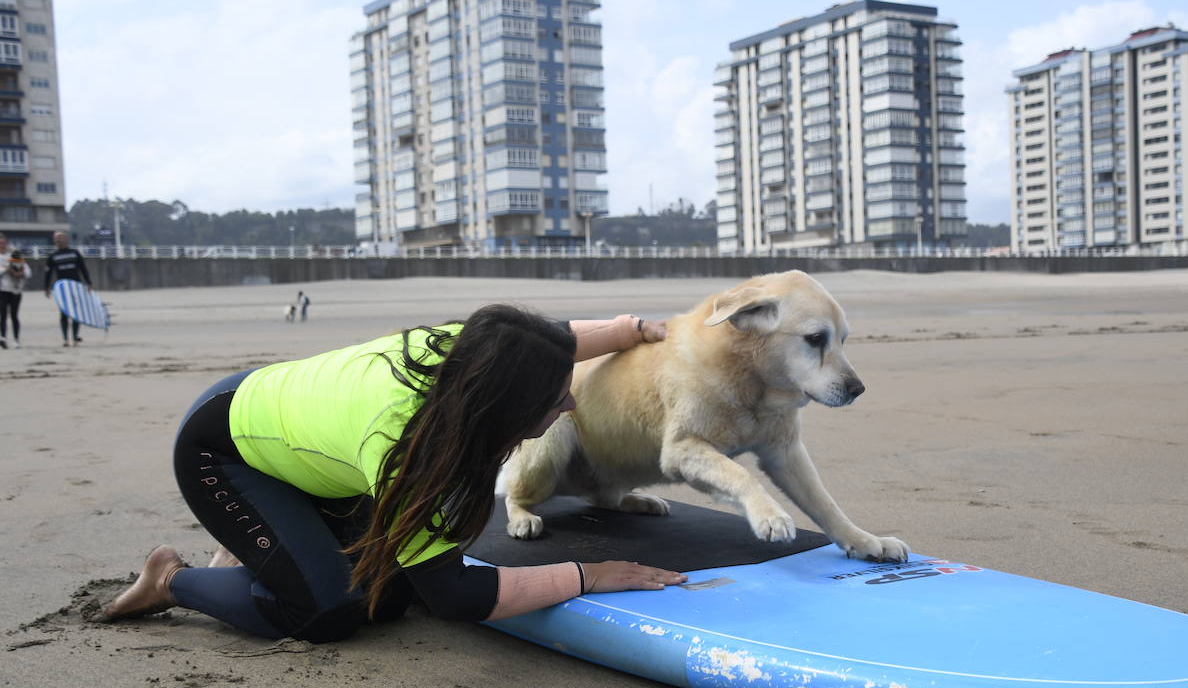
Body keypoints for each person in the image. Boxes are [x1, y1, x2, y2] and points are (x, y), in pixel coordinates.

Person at [99, 305, 685, 642]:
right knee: (328, 612)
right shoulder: (408, 444)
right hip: (223, 450)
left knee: (393, 594)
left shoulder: (476, 357)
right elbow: (458, 596)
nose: (572, 408)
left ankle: (258, 548)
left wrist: (629, 330)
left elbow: (546, 345)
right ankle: (170, 579)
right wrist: (588, 574)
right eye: (557, 401)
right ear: (505, 408)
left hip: (307, 444)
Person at [42, 230, 93, 347]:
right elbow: (48, 273)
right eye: (57, 239)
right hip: (62, 289)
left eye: (61, 238)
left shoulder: (74, 253)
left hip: (76, 286)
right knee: (64, 313)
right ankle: (65, 339)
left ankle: (75, 337)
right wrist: (46, 287)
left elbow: (83, 269)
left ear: (66, 239)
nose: (59, 240)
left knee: (76, 313)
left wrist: (89, 282)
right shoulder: (53, 256)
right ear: (54, 241)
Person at [0, 234, 29, 349]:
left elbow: (28, 272)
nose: (2, 245)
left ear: (6, 244)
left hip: (16, 290)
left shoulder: (15, 255)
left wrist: (20, 273)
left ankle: (16, 340)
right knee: (2, 315)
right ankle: (3, 338)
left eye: (3, 243)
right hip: (2, 290)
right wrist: (7, 269)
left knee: (14, 315)